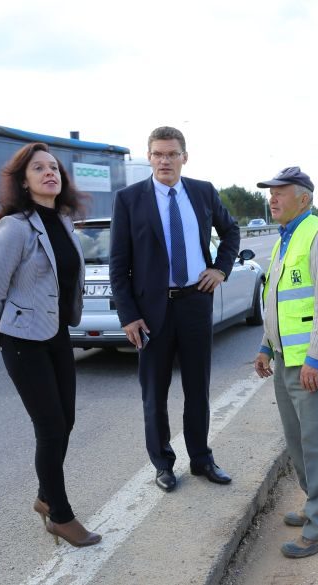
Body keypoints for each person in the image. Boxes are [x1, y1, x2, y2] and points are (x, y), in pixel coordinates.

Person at [0, 143, 100, 547]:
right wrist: (0, 341)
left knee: (66, 421)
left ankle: (45, 497)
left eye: (54, 167)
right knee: (49, 427)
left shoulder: (63, 222)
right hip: (22, 340)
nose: (50, 173)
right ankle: (60, 515)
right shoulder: (16, 226)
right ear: (24, 181)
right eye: (38, 168)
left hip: (58, 333)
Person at [109, 127, 240, 492]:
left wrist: (221, 269)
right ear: (149, 158)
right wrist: (128, 315)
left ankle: (201, 459)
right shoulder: (129, 200)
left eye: (171, 154)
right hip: (151, 313)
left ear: (185, 156)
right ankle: (163, 464)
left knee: (198, 389)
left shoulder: (203, 192)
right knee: (155, 394)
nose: (164, 160)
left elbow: (231, 233)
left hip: (195, 303)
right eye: (157, 154)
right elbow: (118, 265)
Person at [253, 166, 318, 559]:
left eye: (281, 192)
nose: (272, 199)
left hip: (315, 363)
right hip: (285, 360)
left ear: (304, 199)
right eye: (271, 193)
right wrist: (266, 346)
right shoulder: (285, 239)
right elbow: (276, 303)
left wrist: (315, 358)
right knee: (299, 444)